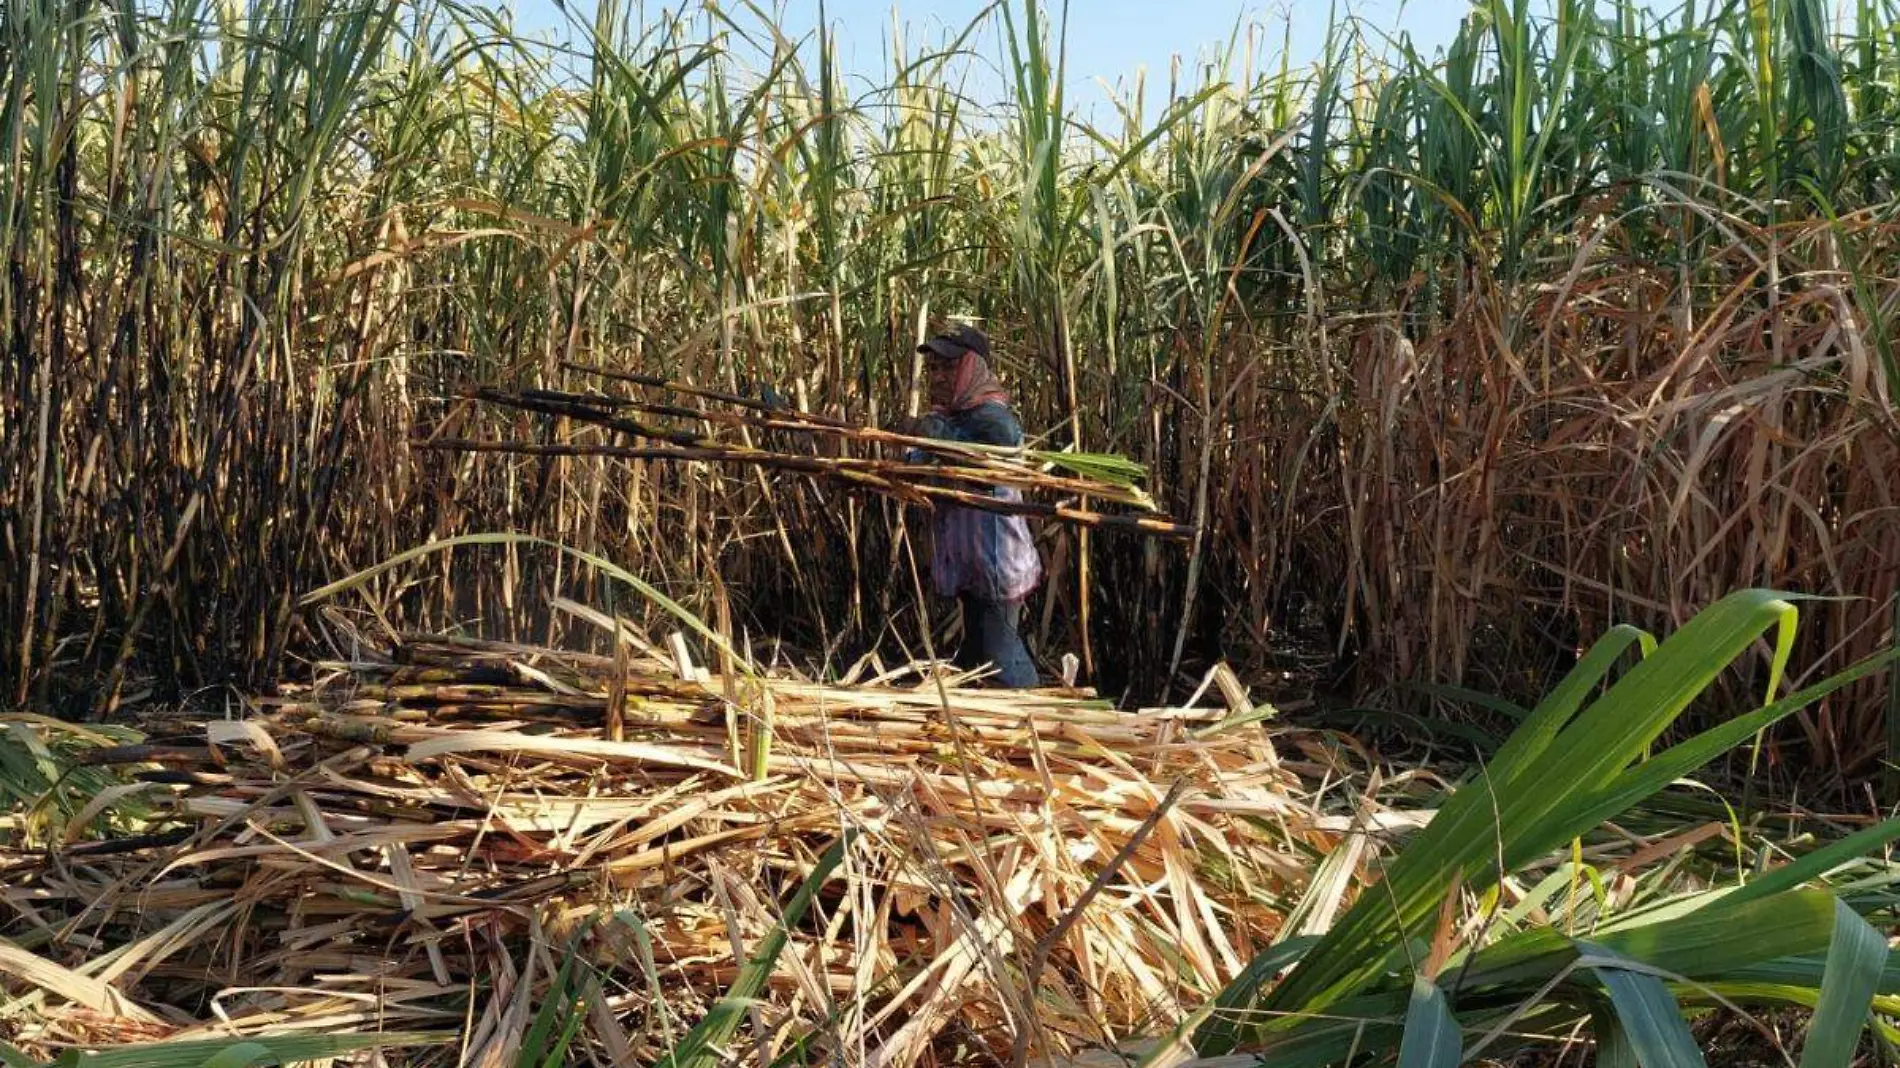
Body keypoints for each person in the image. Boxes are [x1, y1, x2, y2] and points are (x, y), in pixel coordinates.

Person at [907, 324, 1042, 688]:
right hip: (970, 562)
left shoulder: (994, 420)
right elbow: (918, 467)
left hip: (994, 563)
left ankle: (1034, 716)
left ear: (972, 369)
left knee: (1000, 659)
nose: (936, 377)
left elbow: (980, 468)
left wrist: (935, 436)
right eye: (933, 369)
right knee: (978, 653)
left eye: (947, 368)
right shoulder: (947, 418)